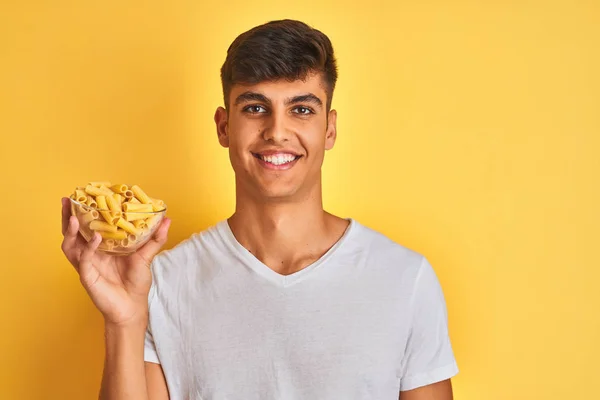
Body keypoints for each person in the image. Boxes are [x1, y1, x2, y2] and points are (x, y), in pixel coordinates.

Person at [61, 19, 458, 400]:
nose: (277, 131)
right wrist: (123, 321)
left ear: (330, 129)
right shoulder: (161, 283)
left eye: (301, 109)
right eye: (255, 108)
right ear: (223, 127)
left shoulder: (405, 279)